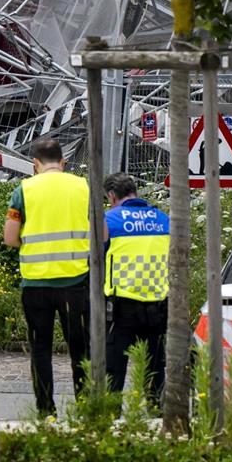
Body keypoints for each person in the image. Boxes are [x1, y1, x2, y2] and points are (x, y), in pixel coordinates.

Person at [3, 137, 90, 418]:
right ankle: (86, 406)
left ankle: (46, 411)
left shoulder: (23, 190)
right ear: (63, 162)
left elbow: (9, 237)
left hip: (36, 284)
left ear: (35, 164)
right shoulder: (83, 186)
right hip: (75, 282)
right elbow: (101, 232)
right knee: (80, 349)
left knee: (40, 349)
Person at [101, 173, 169, 404]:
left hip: (121, 305)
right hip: (158, 303)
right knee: (155, 366)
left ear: (111, 196)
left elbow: (96, 258)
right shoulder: (163, 219)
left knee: (114, 367)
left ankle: (111, 415)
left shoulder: (108, 220)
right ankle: (156, 412)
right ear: (135, 192)